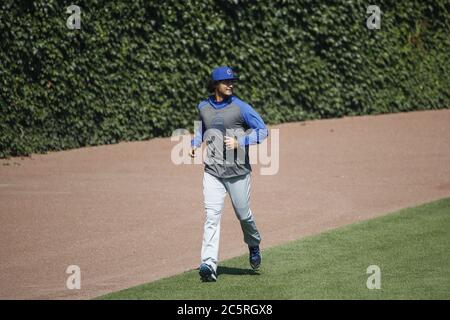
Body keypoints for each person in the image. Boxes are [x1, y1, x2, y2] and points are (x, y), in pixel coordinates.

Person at [190, 66, 269, 282]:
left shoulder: (241, 108)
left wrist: (240, 141)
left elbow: (263, 130)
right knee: (212, 216)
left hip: (238, 172)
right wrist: (195, 143)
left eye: (232, 81)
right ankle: (208, 264)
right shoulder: (203, 106)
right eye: (226, 82)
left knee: (243, 215)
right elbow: (202, 128)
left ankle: (253, 244)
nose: (231, 84)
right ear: (215, 84)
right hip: (213, 171)